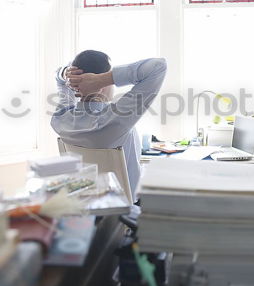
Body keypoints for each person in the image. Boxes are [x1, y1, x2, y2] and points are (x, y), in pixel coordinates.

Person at [51, 50, 167, 201]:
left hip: (89, 205)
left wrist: (67, 73)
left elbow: (58, 77)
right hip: (128, 211)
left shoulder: (61, 118)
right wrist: (103, 79)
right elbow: (158, 66)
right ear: (101, 85)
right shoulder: (115, 119)